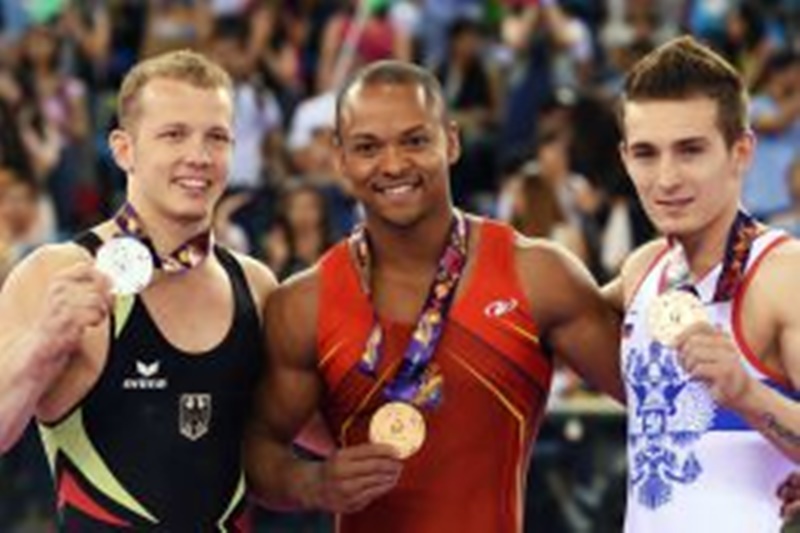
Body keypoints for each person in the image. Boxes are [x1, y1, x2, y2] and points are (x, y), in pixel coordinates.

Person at [243, 60, 624, 532]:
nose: (393, 164)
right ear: (340, 158)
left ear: (452, 141)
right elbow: (259, 447)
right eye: (367, 147)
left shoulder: (538, 276)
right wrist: (312, 482)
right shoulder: (304, 304)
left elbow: (653, 394)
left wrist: (653, 278)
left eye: (415, 140)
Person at [0, 50, 277, 530]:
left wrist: (322, 481)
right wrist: (43, 345)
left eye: (216, 137)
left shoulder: (255, 285)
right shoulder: (57, 272)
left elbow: (304, 436)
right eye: (174, 134)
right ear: (124, 149)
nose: (199, 156)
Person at [608, 36, 800, 533]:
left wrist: (748, 395)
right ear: (625, 158)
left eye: (690, 150)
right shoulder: (641, 271)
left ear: (741, 151)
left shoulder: (784, 276)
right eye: (646, 154)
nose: (666, 178)